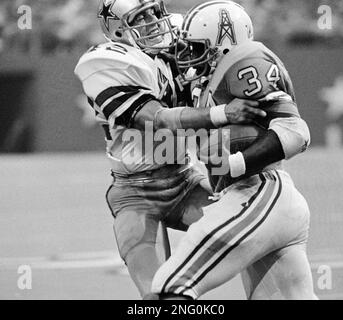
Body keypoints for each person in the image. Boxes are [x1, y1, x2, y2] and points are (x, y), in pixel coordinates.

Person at [74, 0, 265, 298]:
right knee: (159, 294)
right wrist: (221, 114)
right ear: (118, 31)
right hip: (135, 193)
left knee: (254, 238)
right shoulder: (108, 62)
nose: (152, 20)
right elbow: (157, 119)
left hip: (184, 179)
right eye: (141, 17)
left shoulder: (178, 39)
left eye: (153, 11)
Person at [151, 1, 317, 300]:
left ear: (223, 45)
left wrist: (236, 165)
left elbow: (295, 132)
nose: (188, 55)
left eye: (196, 47)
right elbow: (171, 122)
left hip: (258, 192)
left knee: (170, 287)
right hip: (260, 200)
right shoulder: (209, 83)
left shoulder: (244, 60)